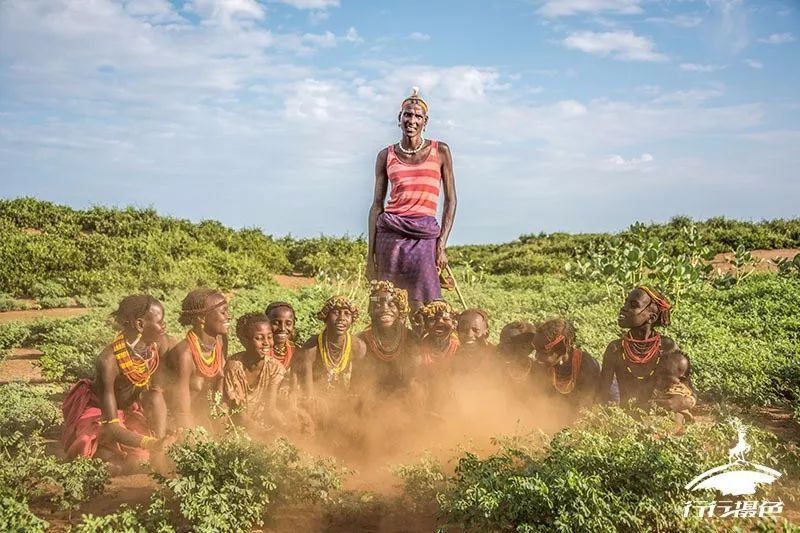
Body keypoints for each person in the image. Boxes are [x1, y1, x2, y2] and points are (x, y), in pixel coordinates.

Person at [367, 87, 457, 310]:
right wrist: (370, 256)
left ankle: (424, 346)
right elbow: (377, 205)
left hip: (424, 236)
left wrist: (442, 245)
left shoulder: (441, 151)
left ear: (425, 121)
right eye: (407, 114)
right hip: (390, 235)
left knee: (424, 307)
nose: (412, 120)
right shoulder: (385, 155)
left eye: (418, 116)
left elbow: (451, 201)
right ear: (399, 118)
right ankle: (393, 345)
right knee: (388, 306)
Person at [61, 295, 172, 474]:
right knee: (107, 459)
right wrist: (153, 444)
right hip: (102, 413)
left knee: (141, 461)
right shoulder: (108, 362)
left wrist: (160, 443)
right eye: (161, 321)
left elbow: (156, 393)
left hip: (129, 411)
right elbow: (111, 426)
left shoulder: (157, 346)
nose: (164, 326)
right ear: (140, 325)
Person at [150, 288, 230, 437]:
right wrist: (199, 439)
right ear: (202, 318)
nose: (229, 317)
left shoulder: (220, 341)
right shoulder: (185, 355)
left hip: (205, 416)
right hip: (175, 421)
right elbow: (182, 411)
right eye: (223, 312)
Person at [598, 286, 678, 407]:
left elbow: (686, 390)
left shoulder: (667, 347)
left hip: (658, 416)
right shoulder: (615, 349)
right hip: (625, 418)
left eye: (633, 305)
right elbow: (602, 394)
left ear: (651, 317)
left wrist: (680, 401)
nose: (624, 308)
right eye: (625, 303)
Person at [296, 296, 367, 427]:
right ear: (326, 317)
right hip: (317, 398)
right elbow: (308, 390)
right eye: (335, 313)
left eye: (347, 314)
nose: (341, 318)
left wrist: (352, 403)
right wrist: (314, 404)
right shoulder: (312, 346)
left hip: (343, 397)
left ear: (352, 319)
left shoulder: (358, 346)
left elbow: (358, 384)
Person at [223, 312, 286, 431]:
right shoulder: (234, 366)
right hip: (234, 425)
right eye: (259, 338)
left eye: (269, 336)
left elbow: (271, 409)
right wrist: (258, 433)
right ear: (244, 341)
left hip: (262, 422)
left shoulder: (275, 368)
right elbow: (238, 412)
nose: (266, 343)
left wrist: (286, 428)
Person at [354, 280, 416, 395]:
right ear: (371, 311)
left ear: (400, 309)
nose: (384, 309)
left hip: (405, 399)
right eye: (378, 305)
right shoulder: (362, 340)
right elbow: (356, 384)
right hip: (372, 401)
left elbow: (417, 378)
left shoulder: (411, 338)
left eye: (391, 305)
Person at [532, 318, 601, 409]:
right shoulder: (541, 366)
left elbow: (586, 407)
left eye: (543, 352)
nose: (536, 357)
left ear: (561, 349)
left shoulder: (586, 366)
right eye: (536, 350)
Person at [651, 350, 696, 432]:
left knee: (677, 416)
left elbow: (682, 402)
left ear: (681, 379)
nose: (660, 380)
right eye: (660, 374)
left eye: (666, 378)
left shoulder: (678, 389)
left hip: (674, 414)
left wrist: (688, 400)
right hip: (653, 412)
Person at [453, 308, 493, 375]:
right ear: (457, 331)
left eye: (476, 330)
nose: (469, 335)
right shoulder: (455, 356)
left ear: (486, 333)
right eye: (464, 330)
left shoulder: (496, 357)